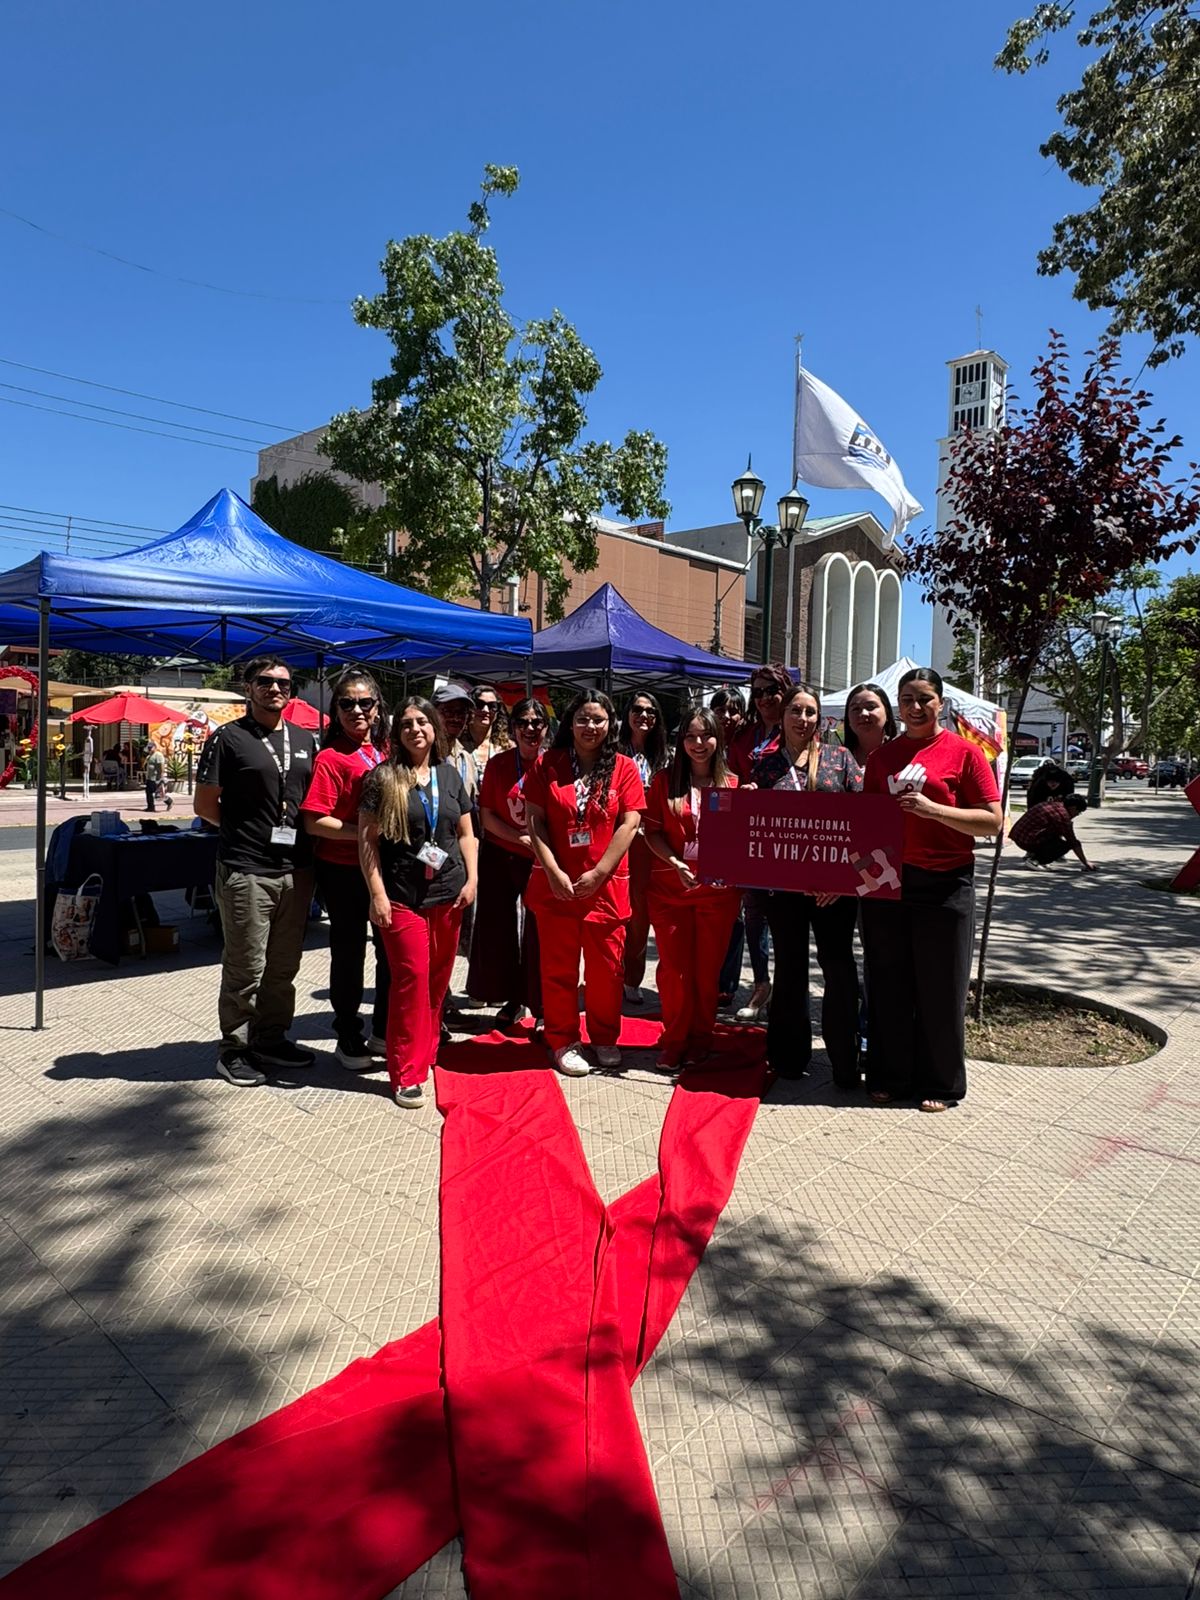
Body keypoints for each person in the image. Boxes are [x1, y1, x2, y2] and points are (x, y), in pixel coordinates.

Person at [861, 667, 1003, 1113]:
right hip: (888, 881)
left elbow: (993, 821)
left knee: (940, 988)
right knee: (888, 984)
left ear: (941, 703)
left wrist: (934, 811)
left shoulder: (964, 754)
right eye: (907, 699)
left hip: (946, 884)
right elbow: (867, 821)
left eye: (924, 698)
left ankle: (940, 1083)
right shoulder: (883, 758)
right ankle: (889, 1075)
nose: (915, 707)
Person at [194, 657, 319, 1087]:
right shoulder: (227, 739)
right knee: (246, 966)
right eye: (264, 682)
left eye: (283, 682)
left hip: (296, 870)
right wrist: (244, 833)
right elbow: (205, 807)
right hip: (247, 868)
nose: (274, 688)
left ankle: (272, 1037)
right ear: (248, 688)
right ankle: (234, 1049)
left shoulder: (305, 740)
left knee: (284, 965)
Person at [359, 696, 477, 1109]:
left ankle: (425, 1056)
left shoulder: (448, 775)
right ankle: (405, 1072)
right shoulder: (383, 778)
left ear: (434, 729)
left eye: (422, 722)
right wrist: (377, 894)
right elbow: (368, 841)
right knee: (410, 981)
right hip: (402, 896)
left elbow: (466, 833)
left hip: (448, 893)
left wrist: (473, 878)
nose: (415, 729)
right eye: (406, 723)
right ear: (397, 732)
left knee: (438, 981)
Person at [523, 690, 645, 1077]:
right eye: (582, 719)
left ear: (611, 724)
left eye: (598, 720)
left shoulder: (624, 767)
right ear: (569, 723)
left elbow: (630, 823)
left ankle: (604, 1035)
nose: (590, 727)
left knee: (607, 970)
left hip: (604, 886)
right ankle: (562, 1039)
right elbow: (535, 821)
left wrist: (600, 872)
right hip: (557, 885)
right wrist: (555, 870)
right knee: (558, 970)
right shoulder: (548, 765)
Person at [750, 684, 864, 1086]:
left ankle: (845, 1063)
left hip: (834, 891)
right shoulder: (764, 766)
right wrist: (747, 802)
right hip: (785, 892)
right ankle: (787, 1058)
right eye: (795, 711)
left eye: (810, 712)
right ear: (781, 717)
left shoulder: (840, 759)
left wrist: (843, 880)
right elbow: (755, 832)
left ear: (820, 719)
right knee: (791, 972)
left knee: (839, 970)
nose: (803, 719)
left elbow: (862, 823)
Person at [299, 668, 391, 1070]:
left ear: (377, 707)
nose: (357, 710)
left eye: (364, 702)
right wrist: (365, 834)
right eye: (347, 703)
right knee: (349, 951)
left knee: (390, 951)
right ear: (335, 710)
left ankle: (384, 1029)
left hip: (388, 870)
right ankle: (348, 1034)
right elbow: (314, 821)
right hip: (343, 870)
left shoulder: (388, 749)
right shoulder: (331, 757)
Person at [643, 707, 742, 1068]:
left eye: (705, 735)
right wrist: (675, 863)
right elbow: (651, 832)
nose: (698, 744)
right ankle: (675, 1038)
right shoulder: (663, 781)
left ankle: (702, 1037)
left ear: (719, 738)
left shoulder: (734, 783)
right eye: (690, 736)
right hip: (671, 891)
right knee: (674, 971)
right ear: (680, 740)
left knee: (706, 972)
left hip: (718, 895)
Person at [466, 696, 547, 1027]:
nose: (529, 729)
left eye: (536, 723)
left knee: (538, 932)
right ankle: (508, 996)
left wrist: (537, 844)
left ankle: (538, 1002)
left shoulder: (553, 764)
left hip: (540, 858)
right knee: (497, 927)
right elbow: (487, 817)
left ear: (545, 728)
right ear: (513, 729)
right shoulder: (500, 764)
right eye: (522, 723)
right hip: (501, 853)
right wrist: (519, 838)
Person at [728, 664, 792, 1022]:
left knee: (785, 916)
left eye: (772, 690)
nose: (765, 698)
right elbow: (732, 777)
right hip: (749, 836)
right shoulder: (744, 736)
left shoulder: (799, 729)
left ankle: (785, 987)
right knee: (753, 913)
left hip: (786, 837)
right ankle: (761, 984)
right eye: (758, 692)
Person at [617, 689, 672, 1002]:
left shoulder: (665, 756)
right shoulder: (615, 752)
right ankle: (611, 973)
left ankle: (631, 978)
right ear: (628, 715)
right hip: (619, 842)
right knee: (616, 913)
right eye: (638, 710)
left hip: (650, 844)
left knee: (640, 917)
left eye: (651, 711)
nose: (644, 716)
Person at [711, 688, 750, 1006]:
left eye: (734, 710)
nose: (727, 716)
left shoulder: (747, 746)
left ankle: (727, 982)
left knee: (735, 914)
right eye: (721, 709)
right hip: (705, 835)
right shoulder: (698, 741)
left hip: (738, 838)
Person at [1010, 793, 1095, 870]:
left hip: (1019, 835)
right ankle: (1035, 860)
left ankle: (1034, 855)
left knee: (1056, 836)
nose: (1077, 815)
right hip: (1027, 840)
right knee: (1066, 845)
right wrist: (1086, 863)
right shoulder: (1062, 816)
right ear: (1073, 808)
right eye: (1078, 812)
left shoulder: (1056, 805)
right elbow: (1072, 841)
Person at [464, 683, 509, 787]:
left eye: (492, 706)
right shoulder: (457, 748)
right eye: (479, 705)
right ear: (470, 708)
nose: (486, 710)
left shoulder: (506, 748)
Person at [843, 682, 897, 765]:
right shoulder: (838, 758)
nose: (864, 713)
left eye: (871, 707)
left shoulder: (903, 753)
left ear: (887, 713)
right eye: (856, 709)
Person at [143, 742, 167, 812]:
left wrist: (161, 776)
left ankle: (168, 801)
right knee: (149, 792)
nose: (149, 749)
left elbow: (161, 766)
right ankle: (150, 807)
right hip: (149, 777)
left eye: (151, 747)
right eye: (149, 748)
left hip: (155, 777)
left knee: (158, 793)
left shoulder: (158, 755)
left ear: (155, 747)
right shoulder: (150, 755)